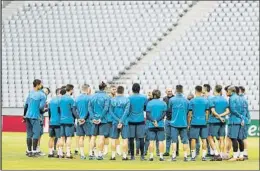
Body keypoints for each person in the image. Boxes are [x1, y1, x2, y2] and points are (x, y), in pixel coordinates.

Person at [24, 79, 46, 157]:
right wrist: (45, 110)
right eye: (41, 84)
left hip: (27, 116)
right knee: (36, 134)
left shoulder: (30, 94)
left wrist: (24, 116)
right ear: (38, 85)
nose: (41, 85)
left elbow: (25, 106)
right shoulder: (42, 95)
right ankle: (34, 151)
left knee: (29, 134)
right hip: (35, 116)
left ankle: (29, 151)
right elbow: (41, 108)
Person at [88, 81, 110, 160]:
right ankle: (100, 155)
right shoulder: (107, 97)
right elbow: (106, 108)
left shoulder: (92, 96)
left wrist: (93, 118)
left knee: (93, 137)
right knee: (101, 137)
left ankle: (91, 153)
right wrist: (100, 118)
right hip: (103, 120)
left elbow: (89, 108)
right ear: (104, 88)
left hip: (94, 120)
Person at [208, 85, 230, 161]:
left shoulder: (212, 99)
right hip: (223, 121)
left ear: (215, 90)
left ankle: (216, 154)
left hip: (214, 121)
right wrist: (221, 117)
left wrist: (219, 117)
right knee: (221, 138)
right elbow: (227, 111)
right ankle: (221, 154)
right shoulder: (224, 100)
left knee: (210, 137)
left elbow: (213, 111)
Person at [188, 85, 209, 161]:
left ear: (195, 90)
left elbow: (190, 114)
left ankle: (193, 156)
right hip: (203, 122)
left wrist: (188, 123)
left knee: (193, 139)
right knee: (204, 139)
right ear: (201, 91)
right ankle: (203, 156)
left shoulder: (192, 101)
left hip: (194, 122)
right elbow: (207, 112)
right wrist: (206, 121)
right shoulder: (206, 101)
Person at [168, 85, 189, 161]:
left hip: (174, 123)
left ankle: (173, 157)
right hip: (183, 123)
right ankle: (185, 157)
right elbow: (187, 112)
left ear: (176, 90)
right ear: (182, 90)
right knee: (185, 141)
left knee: (174, 141)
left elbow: (169, 110)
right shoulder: (186, 101)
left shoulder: (172, 100)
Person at [109, 86, 130, 160]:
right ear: (123, 91)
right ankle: (124, 156)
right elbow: (126, 112)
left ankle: (113, 156)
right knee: (125, 139)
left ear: (117, 91)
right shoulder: (127, 100)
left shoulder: (112, 100)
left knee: (113, 139)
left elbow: (110, 112)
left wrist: (117, 120)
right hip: (124, 122)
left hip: (115, 122)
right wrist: (121, 121)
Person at [128, 83, 148, 160]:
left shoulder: (129, 98)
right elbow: (146, 108)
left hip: (131, 120)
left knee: (131, 139)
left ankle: (132, 156)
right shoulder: (144, 97)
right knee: (141, 138)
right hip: (140, 120)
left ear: (132, 89)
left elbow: (128, 109)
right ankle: (142, 156)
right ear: (139, 89)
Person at [146, 90, 167, 161]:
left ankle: (151, 156)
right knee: (161, 141)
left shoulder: (149, 103)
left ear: (153, 95)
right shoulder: (163, 103)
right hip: (160, 124)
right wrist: (157, 121)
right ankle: (161, 156)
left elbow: (148, 114)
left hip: (151, 124)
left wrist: (153, 121)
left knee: (151, 141)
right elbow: (164, 114)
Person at [73, 84, 92, 159]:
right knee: (91, 137)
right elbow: (89, 110)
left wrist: (78, 118)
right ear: (88, 89)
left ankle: (82, 154)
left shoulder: (77, 98)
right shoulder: (89, 98)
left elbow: (73, 110)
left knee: (81, 137)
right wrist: (84, 118)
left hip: (79, 121)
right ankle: (91, 153)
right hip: (87, 121)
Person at [227, 86, 245, 161]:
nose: (227, 92)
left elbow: (232, 109)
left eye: (228, 91)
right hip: (240, 121)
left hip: (234, 120)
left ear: (231, 91)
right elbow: (244, 109)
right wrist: (242, 118)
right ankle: (241, 155)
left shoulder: (231, 98)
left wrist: (239, 116)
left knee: (233, 138)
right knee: (240, 139)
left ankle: (235, 156)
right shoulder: (241, 98)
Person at [58, 84, 77, 159]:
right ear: (71, 90)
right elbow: (73, 110)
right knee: (68, 137)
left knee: (62, 137)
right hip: (69, 120)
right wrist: (78, 118)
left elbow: (59, 110)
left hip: (62, 120)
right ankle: (68, 153)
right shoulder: (71, 99)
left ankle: (60, 153)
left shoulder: (61, 98)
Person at [48, 88, 62, 158]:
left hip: (51, 122)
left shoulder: (51, 101)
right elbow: (60, 111)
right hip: (58, 122)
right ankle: (59, 153)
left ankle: (50, 152)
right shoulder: (60, 101)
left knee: (51, 138)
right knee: (59, 138)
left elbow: (49, 112)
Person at [162, 87, 176, 157]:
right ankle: (167, 151)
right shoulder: (164, 99)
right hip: (167, 119)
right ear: (166, 92)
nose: (169, 92)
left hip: (174, 120)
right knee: (167, 136)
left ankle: (176, 151)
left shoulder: (175, 98)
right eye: (168, 91)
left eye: (170, 91)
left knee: (175, 136)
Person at [203, 84, 215, 157]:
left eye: (203, 88)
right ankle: (210, 151)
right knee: (207, 136)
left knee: (210, 136)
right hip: (206, 119)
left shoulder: (210, 98)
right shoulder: (205, 97)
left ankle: (212, 151)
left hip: (210, 120)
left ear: (206, 89)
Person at [239, 86, 250, 160]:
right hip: (244, 120)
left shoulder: (242, 99)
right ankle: (242, 153)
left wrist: (242, 120)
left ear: (241, 91)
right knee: (241, 137)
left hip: (244, 121)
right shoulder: (241, 99)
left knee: (243, 137)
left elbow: (244, 112)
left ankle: (245, 154)